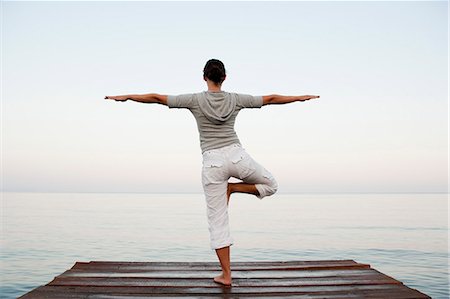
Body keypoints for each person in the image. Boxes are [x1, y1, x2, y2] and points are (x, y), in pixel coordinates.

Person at [105, 59, 319, 287]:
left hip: (212, 164)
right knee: (272, 184)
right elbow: (269, 99)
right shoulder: (235, 99)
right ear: (224, 78)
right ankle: (234, 188)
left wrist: (126, 96)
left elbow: (157, 98)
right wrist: (298, 97)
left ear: (204, 77)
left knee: (218, 222)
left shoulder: (194, 100)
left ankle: (226, 275)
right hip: (238, 157)